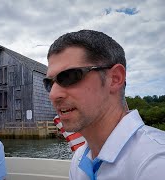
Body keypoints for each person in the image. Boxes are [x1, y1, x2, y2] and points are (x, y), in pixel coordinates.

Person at [44, 30, 165, 179]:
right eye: (49, 83)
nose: (53, 95)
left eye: (69, 76)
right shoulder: (81, 159)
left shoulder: (156, 164)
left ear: (114, 78)